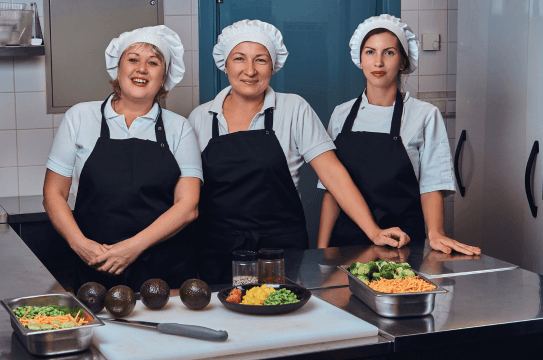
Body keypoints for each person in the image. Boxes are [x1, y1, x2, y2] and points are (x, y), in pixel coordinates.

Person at [188, 19, 409, 285]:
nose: (249, 70)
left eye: (260, 60)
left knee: (284, 319)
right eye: (239, 59)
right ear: (225, 64)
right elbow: (189, 197)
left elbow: (332, 173)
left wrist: (373, 231)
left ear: (273, 67)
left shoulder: (293, 109)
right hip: (218, 251)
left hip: (281, 252)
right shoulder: (200, 118)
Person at [43, 26, 203, 292]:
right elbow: (53, 194)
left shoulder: (179, 128)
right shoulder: (80, 117)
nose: (142, 69)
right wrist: (82, 245)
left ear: (163, 77)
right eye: (133, 60)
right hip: (97, 264)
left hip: (164, 272)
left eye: (153, 63)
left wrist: (131, 248)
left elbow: (188, 206)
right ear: (118, 70)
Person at [317, 15, 480, 256]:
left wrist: (435, 232)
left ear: (403, 62)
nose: (378, 62)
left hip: (402, 244)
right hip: (346, 244)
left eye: (389, 53)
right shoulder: (341, 114)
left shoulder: (424, 115)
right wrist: (321, 248)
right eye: (370, 52)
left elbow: (432, 183)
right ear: (360, 60)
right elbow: (332, 187)